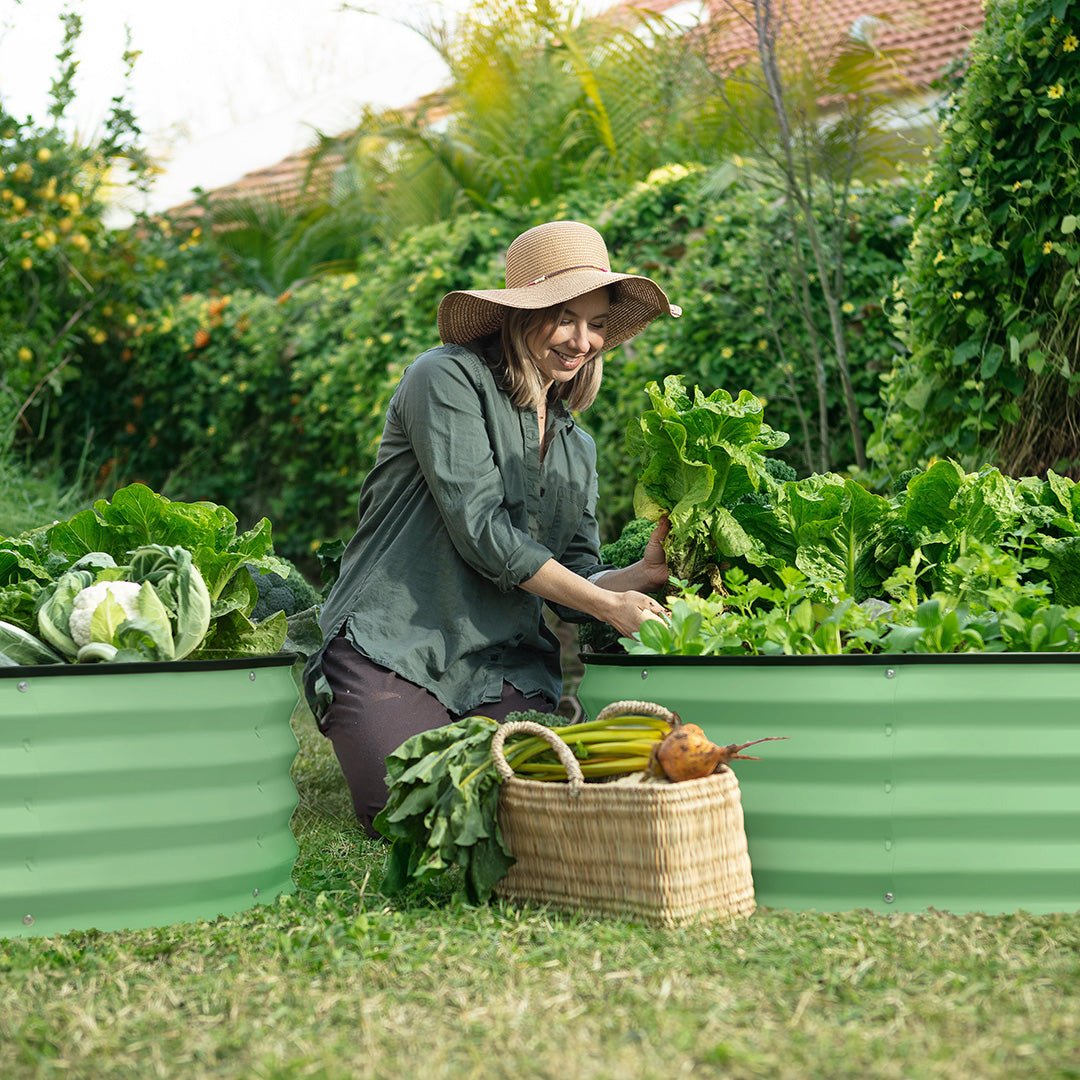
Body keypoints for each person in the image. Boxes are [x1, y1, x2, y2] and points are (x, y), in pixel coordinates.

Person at [303, 219, 681, 835]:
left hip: (504, 667)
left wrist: (640, 575)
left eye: (596, 324)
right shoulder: (445, 378)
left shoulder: (575, 445)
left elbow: (578, 577)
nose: (581, 341)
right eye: (564, 317)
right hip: (398, 645)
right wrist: (610, 604)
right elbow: (480, 529)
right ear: (519, 313)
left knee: (519, 816)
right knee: (410, 815)